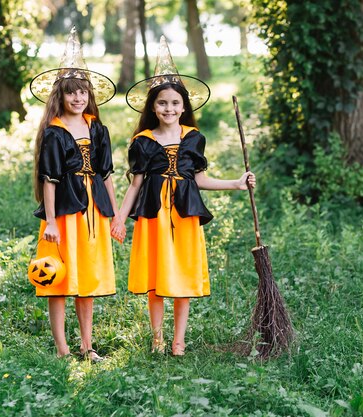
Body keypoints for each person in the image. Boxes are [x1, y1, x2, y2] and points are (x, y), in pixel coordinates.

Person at [111, 36, 255, 356]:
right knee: (158, 277)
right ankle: (158, 337)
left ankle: (179, 340)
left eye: (176, 103)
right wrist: (120, 219)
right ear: (152, 106)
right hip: (154, 216)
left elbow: (199, 178)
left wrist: (236, 183)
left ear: (184, 106)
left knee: (182, 275)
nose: (169, 108)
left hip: (184, 214)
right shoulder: (143, 141)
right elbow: (135, 185)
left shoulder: (194, 138)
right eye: (162, 103)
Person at [30, 27, 119, 362]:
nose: (78, 99)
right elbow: (49, 179)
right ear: (61, 97)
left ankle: (87, 345)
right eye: (71, 94)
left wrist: (113, 214)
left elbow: (105, 174)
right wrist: (51, 220)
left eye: (83, 92)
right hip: (64, 213)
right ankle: (63, 348)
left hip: (92, 211)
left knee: (87, 277)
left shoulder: (98, 128)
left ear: (89, 95)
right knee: (59, 275)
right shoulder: (55, 132)